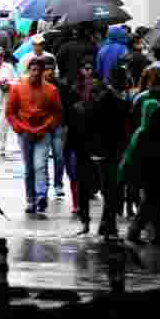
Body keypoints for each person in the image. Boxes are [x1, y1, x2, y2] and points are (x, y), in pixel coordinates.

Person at [76, 71, 132, 237]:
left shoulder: (82, 107)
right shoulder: (120, 104)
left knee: (91, 189)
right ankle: (108, 224)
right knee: (110, 190)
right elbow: (125, 131)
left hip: (92, 152)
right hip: (109, 152)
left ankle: (97, 224)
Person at [119, 99, 160, 249]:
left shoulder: (144, 131)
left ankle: (154, 236)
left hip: (151, 175)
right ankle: (142, 234)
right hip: (151, 176)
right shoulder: (146, 133)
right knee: (150, 205)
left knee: (152, 205)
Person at [6, 57, 62, 215]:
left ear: (43, 72)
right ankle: (31, 200)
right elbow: (10, 112)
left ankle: (41, 195)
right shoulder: (17, 88)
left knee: (40, 165)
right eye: (33, 70)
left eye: (38, 71)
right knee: (29, 169)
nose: (36, 74)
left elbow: (57, 112)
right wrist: (19, 128)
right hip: (25, 133)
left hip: (43, 133)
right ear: (28, 71)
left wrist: (47, 126)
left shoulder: (51, 90)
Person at [59, 60, 96, 217]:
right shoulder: (73, 90)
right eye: (85, 68)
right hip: (73, 136)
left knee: (83, 172)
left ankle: (81, 203)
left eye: (90, 69)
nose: (88, 72)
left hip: (90, 137)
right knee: (74, 172)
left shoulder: (97, 89)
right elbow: (66, 114)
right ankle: (77, 203)